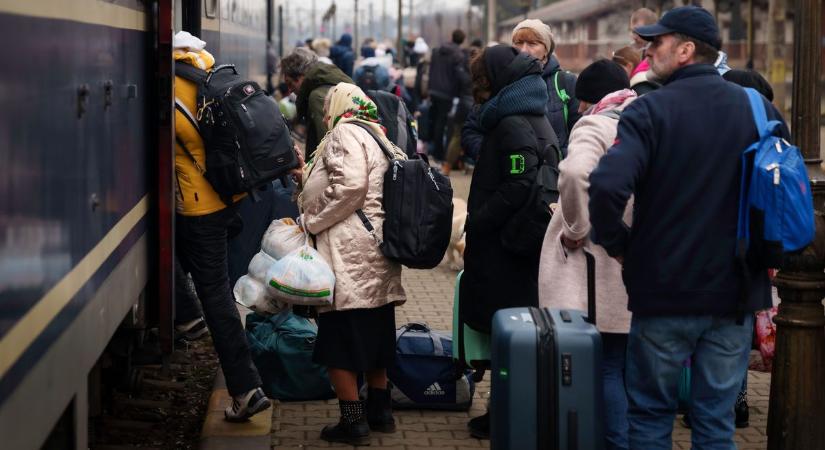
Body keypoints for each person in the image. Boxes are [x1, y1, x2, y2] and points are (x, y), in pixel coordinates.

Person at [587, 6, 790, 449]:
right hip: (735, 289)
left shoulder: (648, 111)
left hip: (663, 290)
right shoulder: (758, 109)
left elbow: (604, 187)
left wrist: (621, 246)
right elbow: (783, 186)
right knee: (716, 423)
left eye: (656, 42)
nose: (648, 48)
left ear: (685, 50)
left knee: (650, 419)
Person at [297, 82, 407, 446]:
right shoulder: (378, 134)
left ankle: (353, 422)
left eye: (328, 106)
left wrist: (312, 219)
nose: (325, 113)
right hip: (377, 251)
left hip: (349, 253)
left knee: (339, 339)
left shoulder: (344, 132)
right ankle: (381, 411)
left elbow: (351, 186)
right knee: (376, 334)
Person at [460, 45, 558, 439]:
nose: (479, 88)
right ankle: (505, 408)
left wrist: (479, 220)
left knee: (507, 333)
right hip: (518, 243)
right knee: (512, 333)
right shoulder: (528, 115)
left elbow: (519, 182)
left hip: (506, 246)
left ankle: (505, 414)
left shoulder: (514, 123)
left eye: (483, 79)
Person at [172, 31, 271, 422]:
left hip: (198, 209)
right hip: (229, 199)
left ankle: (246, 389)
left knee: (216, 298)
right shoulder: (211, 76)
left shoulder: (172, 87)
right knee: (165, 255)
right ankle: (184, 313)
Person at [538, 59, 635, 450]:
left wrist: (575, 228)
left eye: (581, 101)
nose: (577, 109)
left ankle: (614, 443)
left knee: (605, 365)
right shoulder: (646, 117)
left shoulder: (596, 124)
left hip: (598, 262)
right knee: (626, 365)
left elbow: (576, 174)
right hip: (637, 257)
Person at [462, 20, 580, 160]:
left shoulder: (565, 82)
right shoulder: (501, 78)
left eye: (532, 43)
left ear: (546, 50)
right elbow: (471, 131)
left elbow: (579, 134)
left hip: (554, 174)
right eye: (518, 43)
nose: (523, 50)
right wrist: (494, 156)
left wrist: (558, 162)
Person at [281, 47, 352, 160]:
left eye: (290, 83)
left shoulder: (318, 97)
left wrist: (307, 173)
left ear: (301, 77)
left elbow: (327, 149)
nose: (289, 90)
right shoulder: (334, 82)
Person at [428, 29, 469, 162]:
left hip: (433, 90)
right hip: (447, 93)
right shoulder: (459, 55)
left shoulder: (437, 51)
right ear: (462, 40)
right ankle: (440, 154)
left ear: (451, 37)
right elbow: (458, 76)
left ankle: (434, 151)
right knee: (443, 123)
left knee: (434, 122)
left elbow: (431, 69)